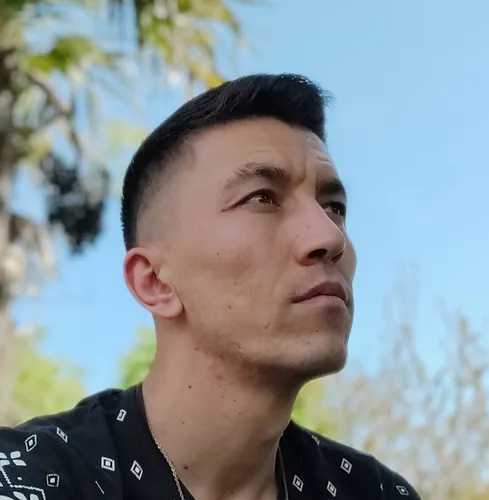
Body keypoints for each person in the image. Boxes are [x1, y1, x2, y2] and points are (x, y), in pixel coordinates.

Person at [0, 74, 422, 500]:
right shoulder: (27, 477)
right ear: (154, 281)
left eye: (334, 207)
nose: (329, 237)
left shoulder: (375, 492)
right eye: (262, 198)